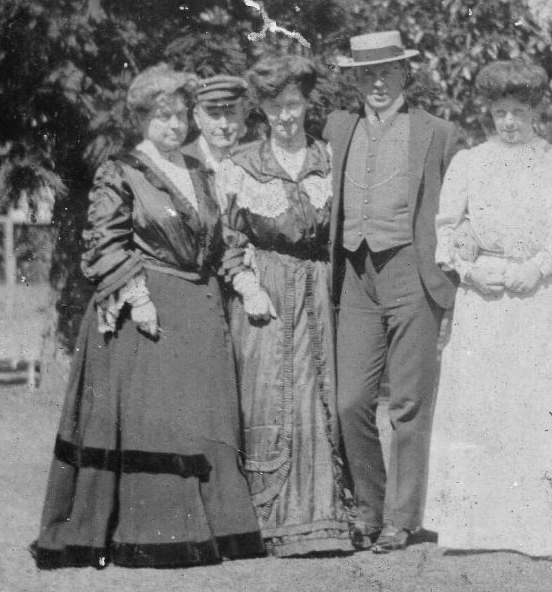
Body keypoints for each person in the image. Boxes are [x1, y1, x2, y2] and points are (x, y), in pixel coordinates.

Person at [32, 64, 268, 569]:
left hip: (199, 310)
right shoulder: (121, 170)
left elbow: (218, 241)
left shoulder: (200, 171)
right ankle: (154, 530)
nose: (173, 127)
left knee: (204, 422)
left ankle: (217, 526)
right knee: (157, 425)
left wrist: (244, 282)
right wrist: (136, 294)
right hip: (149, 312)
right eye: (162, 118)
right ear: (142, 118)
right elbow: (103, 240)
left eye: (181, 116)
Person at [425, 58, 552, 558]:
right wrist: (467, 267)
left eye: (518, 112)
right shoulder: (469, 163)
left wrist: (543, 264)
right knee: (484, 407)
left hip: (543, 299)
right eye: (499, 111)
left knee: (540, 407)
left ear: (535, 113)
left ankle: (545, 527)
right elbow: (447, 229)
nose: (508, 122)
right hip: (485, 298)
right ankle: (480, 528)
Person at [325, 30, 460, 553]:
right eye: (366, 74)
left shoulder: (437, 132)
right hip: (354, 276)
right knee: (350, 400)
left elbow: (457, 210)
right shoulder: (338, 128)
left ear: (406, 74)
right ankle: (369, 505)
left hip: (411, 272)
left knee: (408, 404)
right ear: (354, 79)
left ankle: (401, 518)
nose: (377, 83)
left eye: (387, 72)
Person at [225, 55, 354, 556]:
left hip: (319, 287)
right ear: (261, 109)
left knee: (319, 390)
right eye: (275, 106)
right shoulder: (244, 165)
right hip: (266, 287)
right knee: (268, 391)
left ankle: (324, 517)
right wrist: (246, 283)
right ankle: (268, 518)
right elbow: (228, 234)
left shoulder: (327, 158)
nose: (286, 116)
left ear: (306, 104)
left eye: (293, 104)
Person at [181, 74, 249, 205]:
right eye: (214, 114)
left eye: (230, 113)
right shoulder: (180, 164)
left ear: (244, 114)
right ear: (197, 117)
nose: (223, 125)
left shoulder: (260, 161)